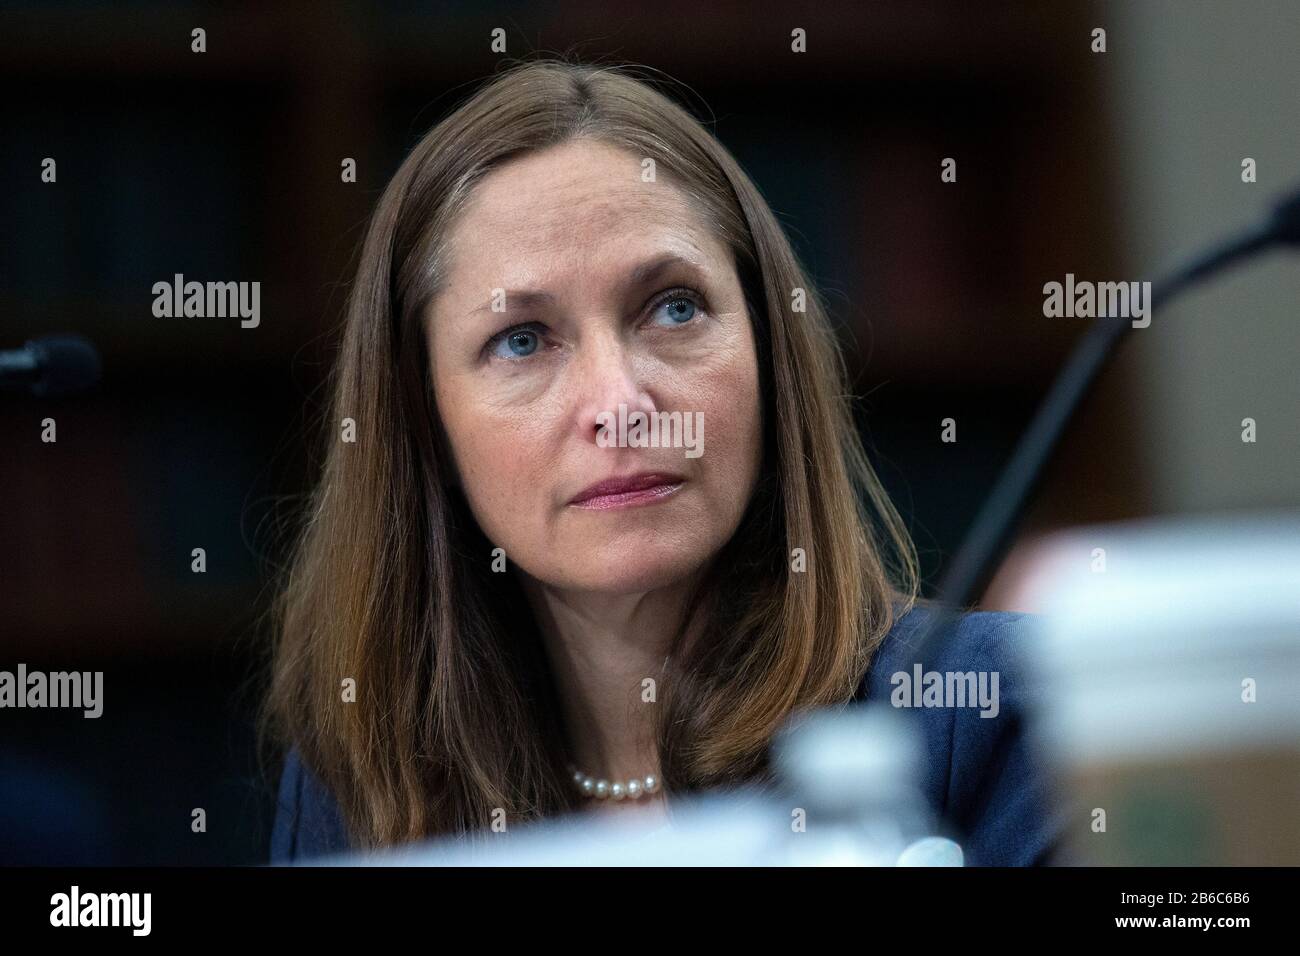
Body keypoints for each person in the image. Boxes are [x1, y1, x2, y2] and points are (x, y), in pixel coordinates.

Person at [262, 57, 1066, 866]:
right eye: (521, 340)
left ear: (767, 351)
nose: (618, 405)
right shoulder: (360, 785)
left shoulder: (993, 704)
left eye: (672, 308)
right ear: (423, 419)